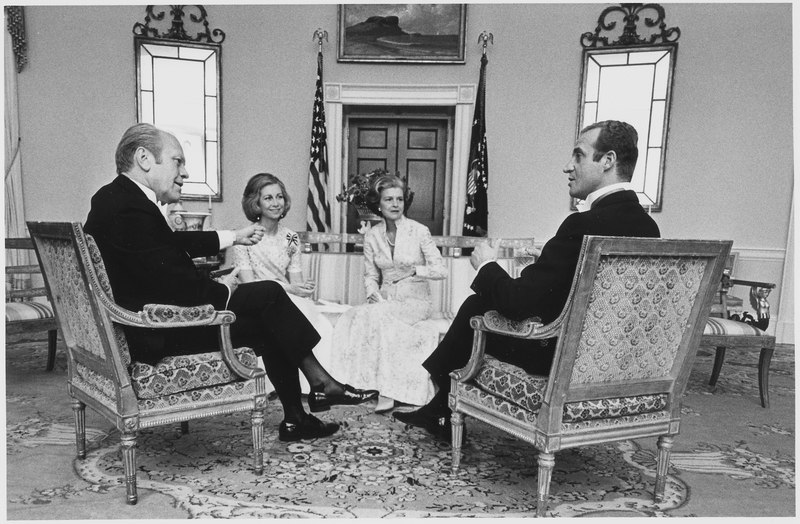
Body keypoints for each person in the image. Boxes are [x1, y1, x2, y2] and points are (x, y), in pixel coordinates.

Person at [84, 123, 378, 443]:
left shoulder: (114, 198)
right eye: (177, 161)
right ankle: (320, 387)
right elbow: (174, 285)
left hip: (145, 325)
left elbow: (164, 248)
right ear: (143, 158)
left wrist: (231, 240)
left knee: (268, 316)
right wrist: (226, 288)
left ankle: (299, 415)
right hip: (157, 333)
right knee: (269, 293)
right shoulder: (130, 207)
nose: (184, 171)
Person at [393, 120, 661, 439]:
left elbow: (519, 304)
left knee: (477, 307)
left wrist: (486, 266)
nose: (567, 166)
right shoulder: (649, 229)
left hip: (559, 359)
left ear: (608, 161)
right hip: (613, 362)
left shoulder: (583, 224)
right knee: (480, 304)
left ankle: (441, 405)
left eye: (578, 155)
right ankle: (439, 407)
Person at [328, 173, 447, 408]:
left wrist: (416, 271)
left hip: (416, 301)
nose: (395, 204)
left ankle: (388, 391)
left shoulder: (419, 231)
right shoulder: (372, 235)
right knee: (356, 314)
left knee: (376, 317)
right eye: (389, 200)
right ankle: (356, 385)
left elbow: (441, 270)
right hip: (386, 299)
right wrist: (373, 293)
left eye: (399, 199)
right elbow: (371, 275)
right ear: (379, 204)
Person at [231, 172, 334, 393]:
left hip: (289, 297)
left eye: (279, 197)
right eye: (268, 198)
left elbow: (296, 278)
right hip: (259, 302)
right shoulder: (245, 237)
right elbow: (250, 286)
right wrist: (289, 288)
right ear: (255, 203)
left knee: (317, 321)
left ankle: (313, 387)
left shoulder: (291, 238)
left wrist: (303, 289)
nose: (276, 203)